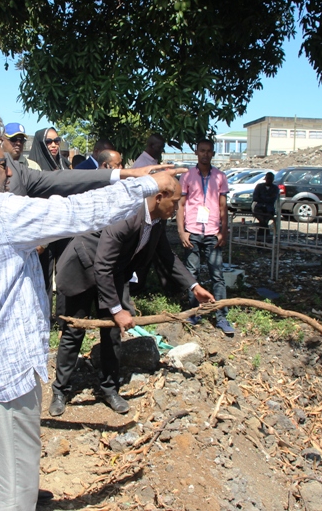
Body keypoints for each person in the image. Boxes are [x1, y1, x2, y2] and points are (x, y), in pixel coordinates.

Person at [0, 104, 164, 510]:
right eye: (2, 163)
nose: (11, 171)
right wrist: (145, 185)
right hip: (4, 375)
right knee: (13, 486)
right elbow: (77, 212)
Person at [50, 177, 214, 416]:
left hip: (110, 272)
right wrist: (118, 309)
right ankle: (60, 390)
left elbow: (167, 256)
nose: (178, 208)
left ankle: (109, 388)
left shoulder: (157, 222)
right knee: (74, 331)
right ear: (159, 198)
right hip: (84, 268)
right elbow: (101, 265)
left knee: (113, 334)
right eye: (176, 202)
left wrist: (194, 286)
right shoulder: (125, 216)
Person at [177, 140, 233, 335]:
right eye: (202, 150)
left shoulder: (220, 176)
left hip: (212, 233)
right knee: (192, 274)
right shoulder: (187, 176)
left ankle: (221, 316)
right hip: (192, 231)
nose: (205, 154)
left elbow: (223, 206)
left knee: (217, 275)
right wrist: (182, 231)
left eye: (209, 151)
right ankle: (193, 313)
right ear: (196, 152)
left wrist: (223, 231)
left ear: (213, 154)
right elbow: (181, 205)